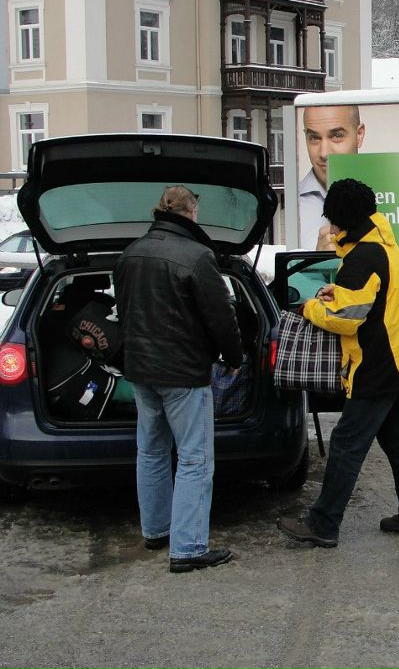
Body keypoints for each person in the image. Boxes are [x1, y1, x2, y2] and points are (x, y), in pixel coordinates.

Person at [277, 179, 399, 547]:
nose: (330, 229)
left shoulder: (363, 256)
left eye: (333, 220)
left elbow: (346, 316)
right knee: (397, 444)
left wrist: (311, 306)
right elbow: (367, 300)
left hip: (377, 366)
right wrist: (338, 292)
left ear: (346, 219)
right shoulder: (382, 245)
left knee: (346, 445)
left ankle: (322, 524)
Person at [114, 186, 244, 573]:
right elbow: (221, 316)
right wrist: (234, 357)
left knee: (151, 450)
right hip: (183, 373)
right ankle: (187, 548)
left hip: (140, 370)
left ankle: (157, 531)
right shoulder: (196, 256)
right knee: (194, 459)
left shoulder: (131, 253)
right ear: (190, 212)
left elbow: (125, 312)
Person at [298, 104, 364, 250]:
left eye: (336, 136)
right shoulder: (287, 209)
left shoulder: (393, 197)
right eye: (314, 138)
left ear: (359, 135)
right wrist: (317, 262)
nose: (324, 153)